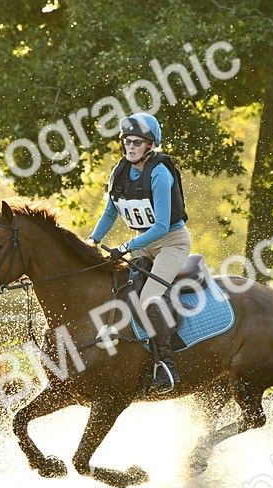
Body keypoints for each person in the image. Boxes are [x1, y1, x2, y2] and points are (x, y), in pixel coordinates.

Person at [85, 113, 191, 394]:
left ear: (149, 145)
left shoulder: (159, 173)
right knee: (120, 288)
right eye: (126, 141)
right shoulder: (119, 171)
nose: (130, 146)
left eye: (137, 142)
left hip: (171, 242)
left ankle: (166, 365)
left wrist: (126, 247)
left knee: (148, 297)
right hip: (144, 244)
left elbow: (160, 226)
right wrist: (92, 240)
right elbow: (110, 212)